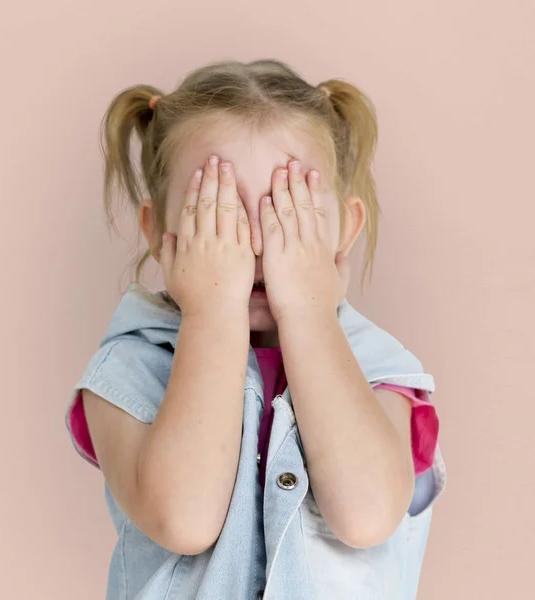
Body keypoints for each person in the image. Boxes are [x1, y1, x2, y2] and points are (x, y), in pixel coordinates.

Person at [65, 59, 445, 599]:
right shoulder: (125, 370)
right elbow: (184, 519)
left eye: (287, 213)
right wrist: (211, 312)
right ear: (159, 232)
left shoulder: (380, 368)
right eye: (219, 215)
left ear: (345, 228)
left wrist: (310, 314)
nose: (258, 245)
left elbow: (367, 517)